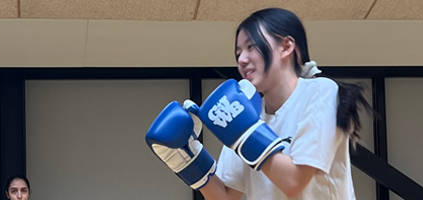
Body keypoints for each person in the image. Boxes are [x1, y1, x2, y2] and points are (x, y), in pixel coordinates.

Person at [146, 8, 370, 200]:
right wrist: (188, 156)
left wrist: (242, 132)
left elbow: (294, 181)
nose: (242, 59)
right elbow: (224, 196)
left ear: (286, 46)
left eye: (251, 47)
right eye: (238, 52)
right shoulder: (246, 113)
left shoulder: (320, 91)